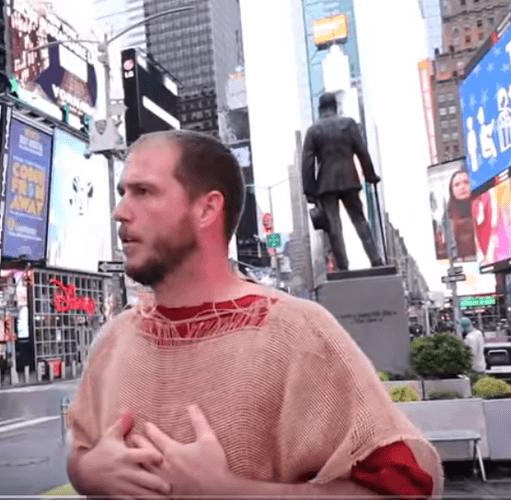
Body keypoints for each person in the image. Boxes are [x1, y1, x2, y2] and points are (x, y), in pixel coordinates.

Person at [66, 130, 441, 499]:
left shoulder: (298, 333)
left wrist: (232, 492)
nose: (120, 212)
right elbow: (81, 451)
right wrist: (88, 472)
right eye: (123, 194)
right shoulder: (115, 340)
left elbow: (408, 487)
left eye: (143, 192)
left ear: (207, 208)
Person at [301, 92, 384, 271]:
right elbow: (362, 151)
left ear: (320, 109)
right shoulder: (348, 124)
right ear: (335, 106)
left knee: (334, 227)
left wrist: (310, 191)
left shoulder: (314, 130)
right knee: (360, 220)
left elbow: (307, 163)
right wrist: (370, 175)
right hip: (349, 179)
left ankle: (343, 266)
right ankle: (375, 258)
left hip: (326, 184)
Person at [445, 169, 476, 260]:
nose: (462, 187)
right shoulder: (447, 215)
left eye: (466, 182)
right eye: (457, 185)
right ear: (451, 190)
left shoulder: (483, 203)